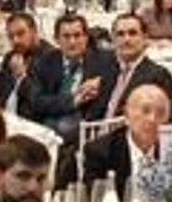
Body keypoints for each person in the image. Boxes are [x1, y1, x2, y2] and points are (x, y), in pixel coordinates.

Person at [74, 84, 172, 202]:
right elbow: (94, 199)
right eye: (145, 111)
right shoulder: (101, 151)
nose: (152, 119)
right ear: (127, 115)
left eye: (161, 113)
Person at [23, 13, 113, 144]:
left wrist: (102, 80)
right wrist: (72, 101)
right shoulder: (43, 63)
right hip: (51, 116)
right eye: (66, 36)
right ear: (56, 39)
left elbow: (122, 72)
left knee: (64, 129)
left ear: (86, 38)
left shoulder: (104, 60)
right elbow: (36, 102)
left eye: (77, 35)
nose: (72, 42)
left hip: (86, 120)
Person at [82, 13, 172, 122]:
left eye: (132, 33)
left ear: (145, 37)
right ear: (113, 39)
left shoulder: (158, 76)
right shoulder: (106, 69)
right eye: (120, 34)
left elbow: (167, 122)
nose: (126, 39)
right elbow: (91, 113)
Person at [0, 11, 49, 116]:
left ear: (34, 31)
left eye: (21, 33)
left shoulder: (51, 59)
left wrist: (21, 77)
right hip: (4, 116)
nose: (15, 40)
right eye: (11, 36)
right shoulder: (11, 56)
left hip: (31, 123)